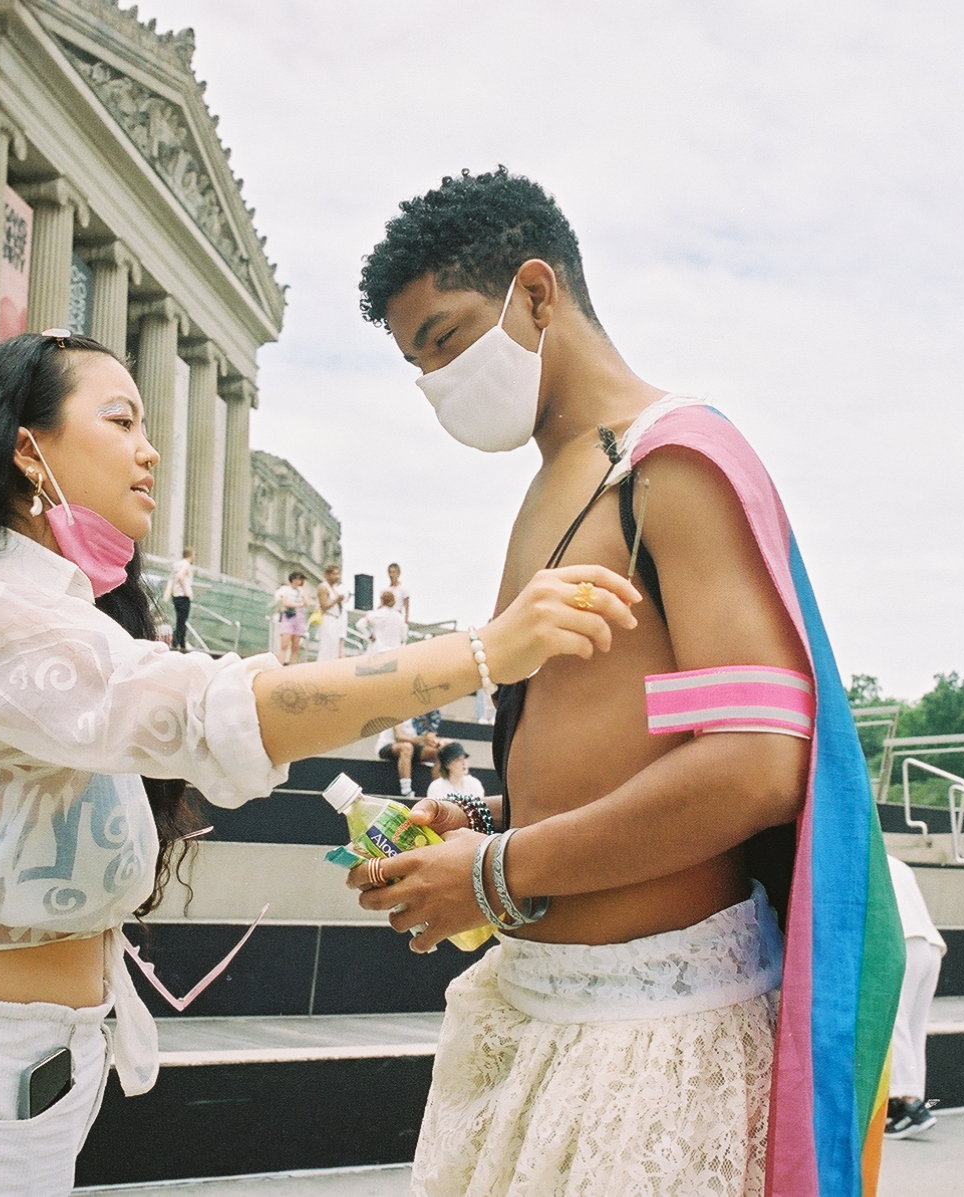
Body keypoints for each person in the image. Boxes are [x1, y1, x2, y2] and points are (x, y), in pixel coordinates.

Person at [0, 331, 634, 1197]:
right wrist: (484, 651)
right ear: (30, 452)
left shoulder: (44, 610)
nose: (151, 450)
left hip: (4, 1089)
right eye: (120, 420)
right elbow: (225, 710)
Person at [349, 168, 903, 1196]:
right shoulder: (545, 487)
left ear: (534, 292)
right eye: (415, 364)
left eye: (445, 339)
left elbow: (751, 766)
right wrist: (484, 827)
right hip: (534, 1012)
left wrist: (495, 870)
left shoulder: (669, 463)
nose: (436, 382)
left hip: (655, 1039)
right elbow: (621, 745)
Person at [884, 856, 945, 1140]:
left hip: (902, 942)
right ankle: (914, 1103)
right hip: (930, 946)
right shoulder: (899, 863)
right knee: (913, 1028)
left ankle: (909, 1106)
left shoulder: (864, 854)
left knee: (893, 1023)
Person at [379, 717, 448, 799]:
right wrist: (423, 740)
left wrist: (433, 742)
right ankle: (406, 790)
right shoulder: (398, 713)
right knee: (407, 747)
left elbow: (423, 738)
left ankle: (437, 789)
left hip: (412, 746)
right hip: (389, 745)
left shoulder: (420, 717)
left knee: (439, 752)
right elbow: (398, 737)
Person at [427, 741, 485, 807]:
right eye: (458, 760)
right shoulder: (436, 787)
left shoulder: (474, 784)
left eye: (465, 758)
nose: (463, 763)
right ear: (447, 765)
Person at [271, 569, 311, 665]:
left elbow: (307, 602)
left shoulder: (301, 591)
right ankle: (279, 664)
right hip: (288, 616)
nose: (298, 581)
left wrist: (305, 588)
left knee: (296, 646)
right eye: (296, 579)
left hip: (299, 617)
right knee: (284, 644)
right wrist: (300, 604)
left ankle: (292, 665)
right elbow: (286, 603)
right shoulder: (284, 589)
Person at [315, 562, 349, 662]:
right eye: (334, 574)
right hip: (328, 618)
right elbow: (324, 606)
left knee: (334, 647)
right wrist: (336, 600)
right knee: (326, 647)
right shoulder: (323, 587)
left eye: (338, 574)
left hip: (336, 619)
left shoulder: (334, 589)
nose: (337, 577)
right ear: (327, 575)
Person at [358, 588, 409, 653]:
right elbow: (404, 637)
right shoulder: (400, 617)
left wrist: (370, 636)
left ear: (382, 600)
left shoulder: (377, 614)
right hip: (395, 652)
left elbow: (360, 624)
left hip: (378, 651)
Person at [162, 548, 193, 652]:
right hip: (183, 596)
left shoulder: (176, 565)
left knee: (180, 620)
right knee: (182, 621)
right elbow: (180, 577)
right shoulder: (186, 565)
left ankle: (180, 643)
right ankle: (177, 643)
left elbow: (172, 578)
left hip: (176, 595)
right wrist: (186, 591)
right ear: (191, 555)